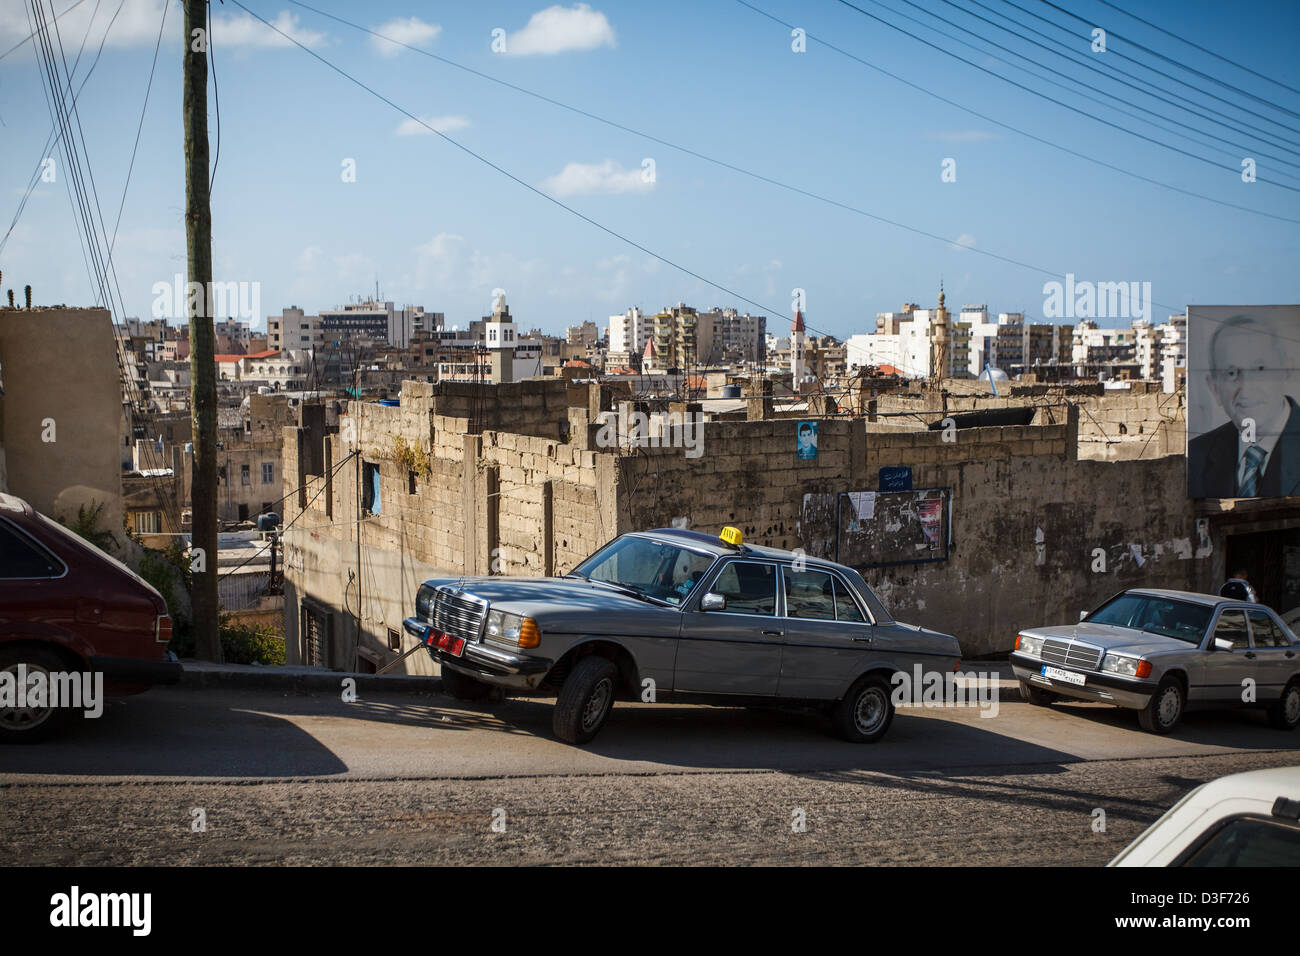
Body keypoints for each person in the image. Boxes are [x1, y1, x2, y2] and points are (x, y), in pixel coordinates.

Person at [1188, 313, 1300, 498]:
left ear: (1286, 371)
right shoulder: (1196, 457)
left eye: (1260, 369)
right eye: (1231, 372)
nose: (1246, 388)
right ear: (1214, 388)